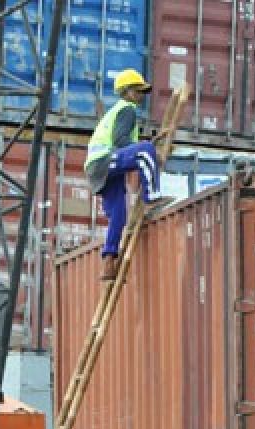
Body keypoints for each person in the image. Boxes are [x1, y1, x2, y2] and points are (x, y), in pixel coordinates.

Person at [85, 68, 170, 281]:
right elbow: (120, 141)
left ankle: (108, 261)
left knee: (118, 214)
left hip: (97, 169)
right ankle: (151, 198)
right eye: (138, 91)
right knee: (145, 151)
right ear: (127, 92)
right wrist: (147, 148)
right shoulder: (127, 109)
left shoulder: (117, 112)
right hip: (104, 161)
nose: (141, 96)